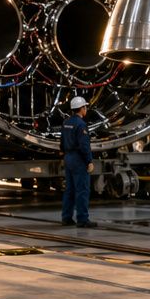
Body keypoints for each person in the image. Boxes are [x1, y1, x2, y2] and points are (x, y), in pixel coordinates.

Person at [60, 96, 97, 228]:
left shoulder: (66, 122)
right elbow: (84, 146)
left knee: (69, 190)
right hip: (78, 159)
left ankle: (66, 217)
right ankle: (82, 219)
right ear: (82, 108)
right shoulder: (81, 125)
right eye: (85, 107)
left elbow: (62, 142)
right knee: (82, 190)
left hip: (68, 157)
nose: (86, 109)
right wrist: (89, 161)